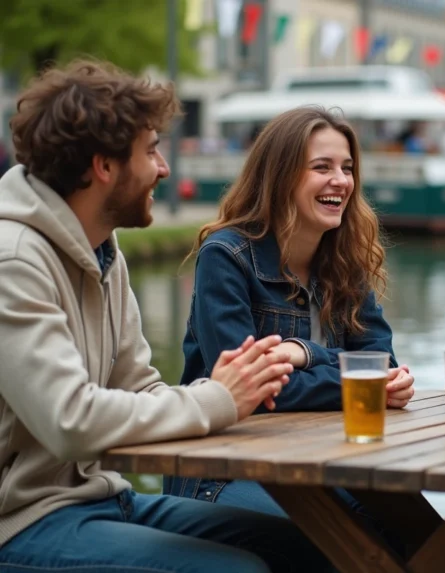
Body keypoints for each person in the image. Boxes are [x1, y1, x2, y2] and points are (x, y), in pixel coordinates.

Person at [0, 60, 331, 572]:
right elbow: (70, 420)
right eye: (151, 150)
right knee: (233, 570)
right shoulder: (14, 259)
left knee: (307, 542)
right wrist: (217, 398)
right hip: (21, 522)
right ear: (104, 165)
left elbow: (140, 389)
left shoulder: (103, 252)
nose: (164, 167)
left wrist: (231, 395)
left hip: (101, 498)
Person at [163, 106, 415, 529]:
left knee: (407, 521)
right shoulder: (226, 258)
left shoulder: (347, 260)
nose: (341, 180)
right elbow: (255, 392)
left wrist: (300, 355)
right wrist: (333, 364)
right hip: (223, 471)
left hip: (324, 462)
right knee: (340, 532)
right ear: (280, 177)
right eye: (322, 167)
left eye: (347, 168)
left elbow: (382, 369)